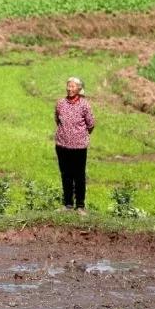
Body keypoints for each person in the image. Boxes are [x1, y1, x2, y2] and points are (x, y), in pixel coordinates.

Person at [55, 76, 95, 214]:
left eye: (72, 86)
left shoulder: (85, 105)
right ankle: (67, 204)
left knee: (79, 176)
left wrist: (79, 136)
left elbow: (91, 124)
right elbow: (57, 120)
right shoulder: (60, 103)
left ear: (79, 89)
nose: (69, 89)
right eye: (68, 86)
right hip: (62, 145)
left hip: (79, 147)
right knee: (65, 175)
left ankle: (80, 205)